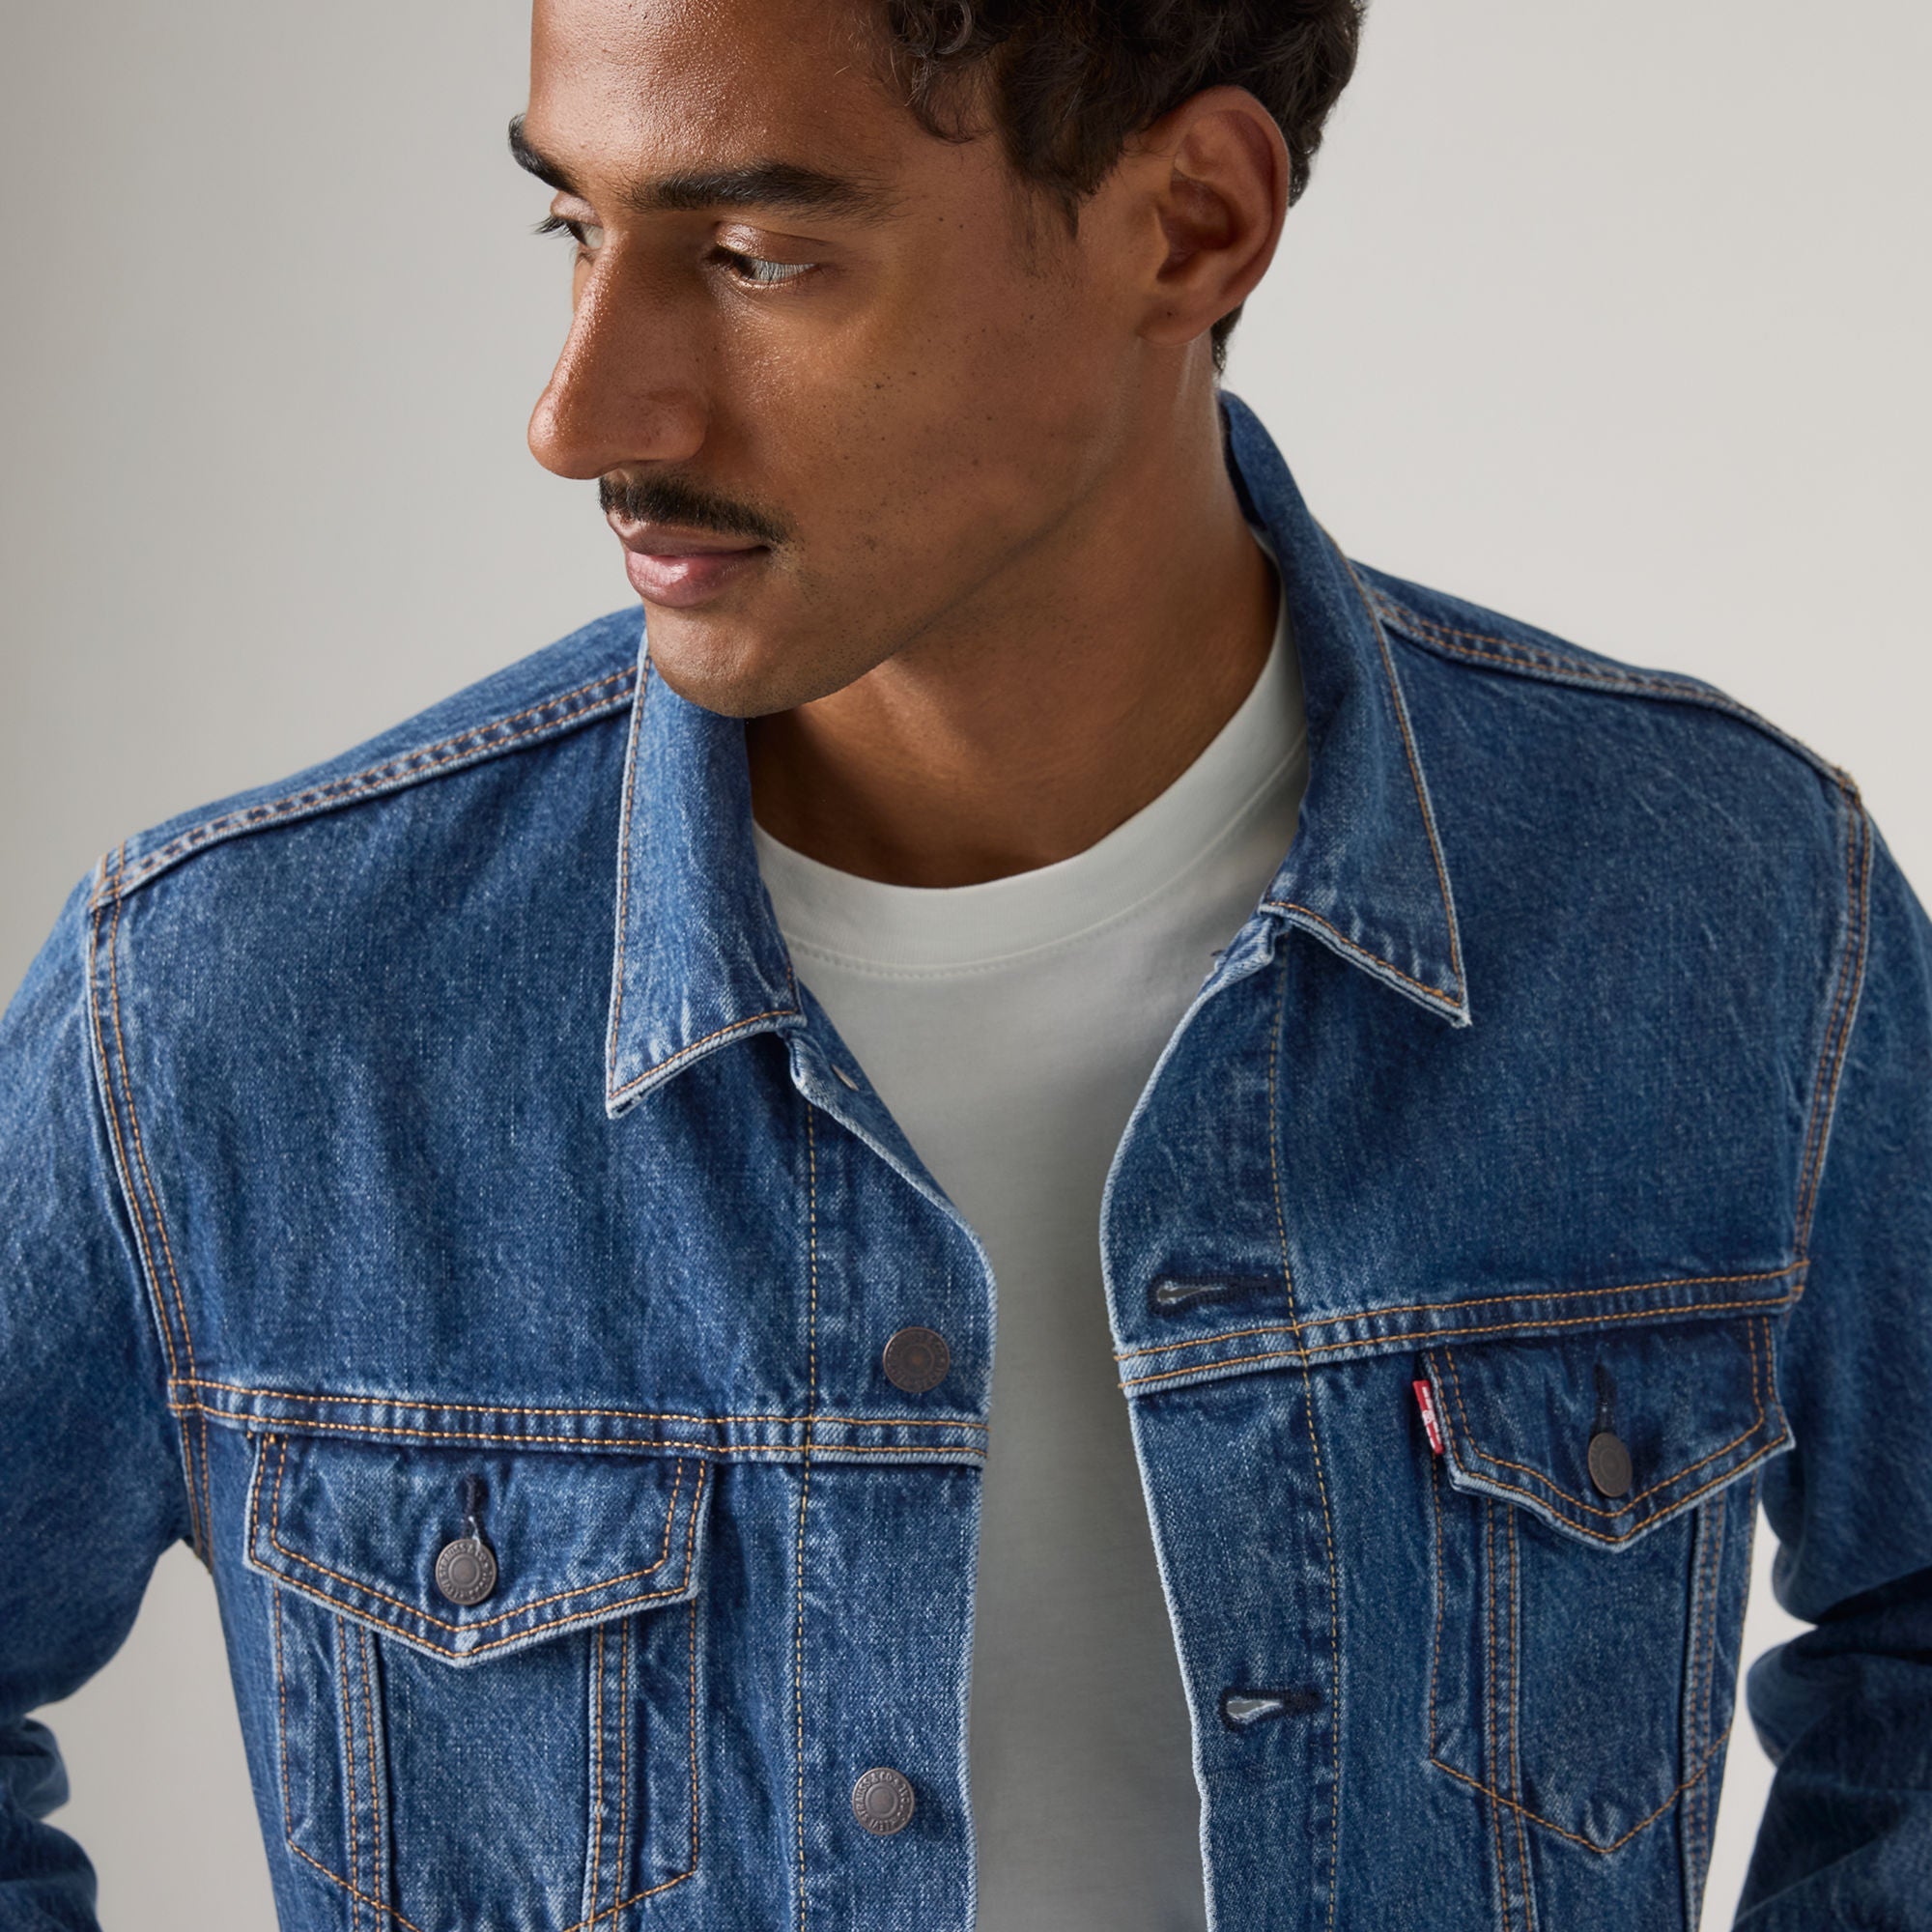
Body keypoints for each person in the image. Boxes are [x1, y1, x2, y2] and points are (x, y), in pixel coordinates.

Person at [2, 1, 1927, 1927]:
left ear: (1192, 221)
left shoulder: (1728, 908)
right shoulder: (234, 1003)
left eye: (755, 255)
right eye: (573, 228)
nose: (579, 419)